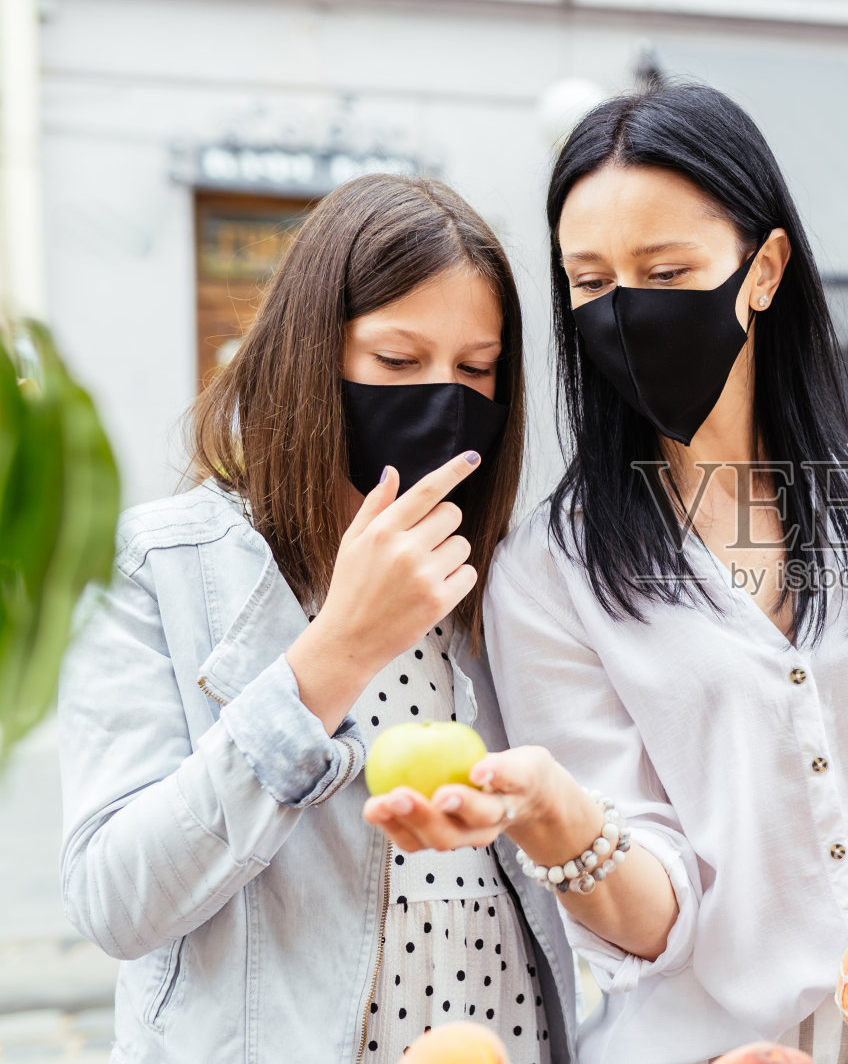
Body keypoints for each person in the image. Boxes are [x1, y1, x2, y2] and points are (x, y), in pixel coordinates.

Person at [362, 83, 848, 1064]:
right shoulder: (548, 571)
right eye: (589, 280)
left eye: (665, 269)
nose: (625, 311)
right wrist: (560, 820)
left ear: (764, 267)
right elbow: (645, 916)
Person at [56, 175, 575, 1063]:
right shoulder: (162, 564)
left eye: (477, 369)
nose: (444, 398)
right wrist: (335, 653)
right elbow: (115, 899)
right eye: (398, 362)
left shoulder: (504, 576)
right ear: (310, 353)